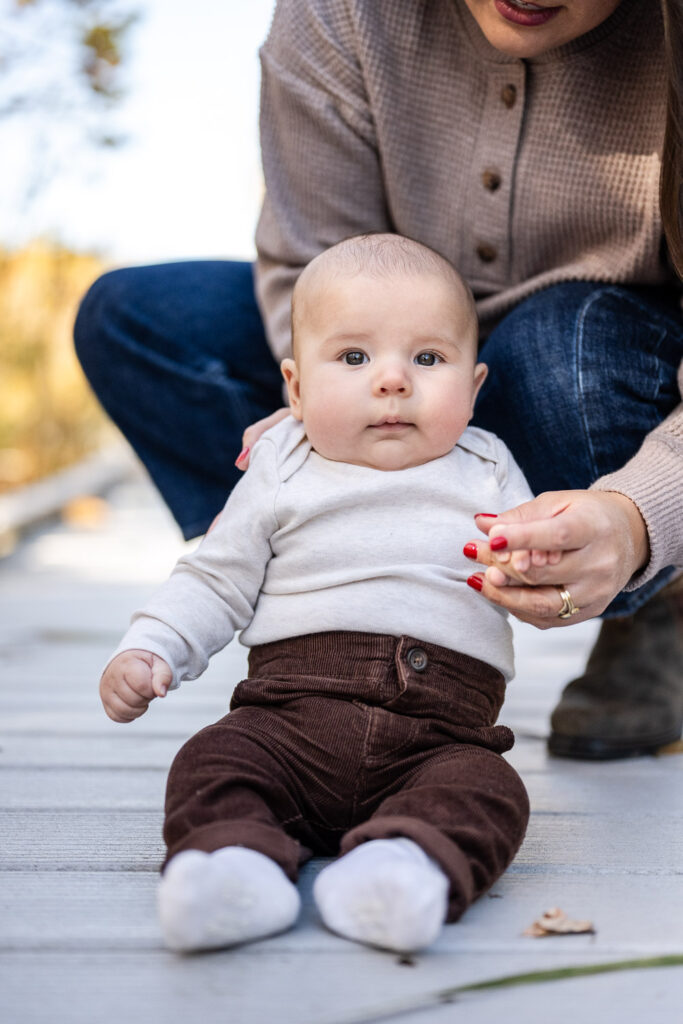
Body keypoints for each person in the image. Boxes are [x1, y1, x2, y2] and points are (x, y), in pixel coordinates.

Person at [75, 0, 683, 760]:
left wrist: (644, 516)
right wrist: (314, 416)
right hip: (404, 330)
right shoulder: (339, 15)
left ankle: (657, 593)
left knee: (556, 346)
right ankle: (316, 586)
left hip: (603, 358)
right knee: (137, 321)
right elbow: (310, 264)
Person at [100, 234, 534, 954]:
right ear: (296, 389)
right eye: (354, 358)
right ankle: (231, 868)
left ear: (474, 385)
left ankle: (400, 867)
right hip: (286, 724)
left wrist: (529, 565)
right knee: (213, 762)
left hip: (441, 738)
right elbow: (217, 576)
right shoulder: (281, 463)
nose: (393, 381)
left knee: (490, 790)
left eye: (427, 359)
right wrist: (151, 646)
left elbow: (524, 566)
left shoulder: (488, 466)